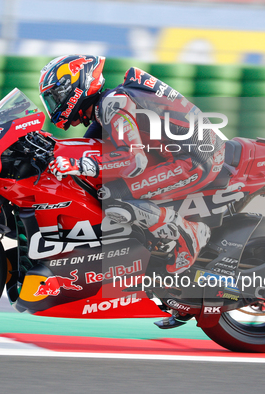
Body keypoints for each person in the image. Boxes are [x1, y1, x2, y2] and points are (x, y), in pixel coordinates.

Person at [39, 55, 225, 275]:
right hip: (179, 155)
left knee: (112, 198)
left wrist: (79, 164)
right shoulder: (105, 106)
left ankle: (190, 233)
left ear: (73, 88)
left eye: (53, 98)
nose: (53, 106)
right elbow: (88, 147)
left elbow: (133, 161)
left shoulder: (113, 103)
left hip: (196, 160)